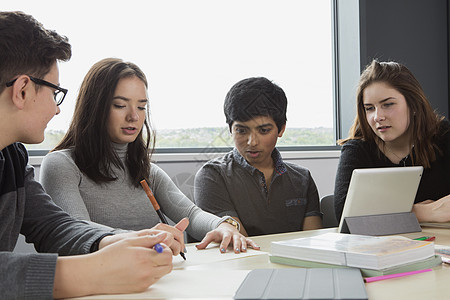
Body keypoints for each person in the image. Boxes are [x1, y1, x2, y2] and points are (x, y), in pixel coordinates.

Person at [0, 11, 184, 299]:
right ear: (22, 90)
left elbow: (53, 226)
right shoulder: (60, 163)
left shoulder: (12, 158)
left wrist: (119, 240)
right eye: (55, 93)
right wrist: (95, 271)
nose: (57, 109)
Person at [39, 57, 259, 254]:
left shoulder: (147, 171)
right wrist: (146, 238)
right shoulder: (62, 165)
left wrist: (223, 226)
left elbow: (190, 214)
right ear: (94, 107)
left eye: (142, 107)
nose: (134, 116)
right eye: (120, 105)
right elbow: (77, 231)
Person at [194, 77, 323, 236]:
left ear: (281, 129)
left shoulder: (302, 178)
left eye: (263, 131)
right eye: (241, 131)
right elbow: (239, 244)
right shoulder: (213, 176)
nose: (252, 142)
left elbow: (313, 242)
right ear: (230, 129)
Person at [334, 59, 450, 223]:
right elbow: (345, 215)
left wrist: (385, 211)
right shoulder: (357, 150)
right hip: (379, 247)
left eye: (388, 104)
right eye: (369, 108)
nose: (377, 117)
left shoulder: (443, 136)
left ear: (414, 104)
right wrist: (422, 212)